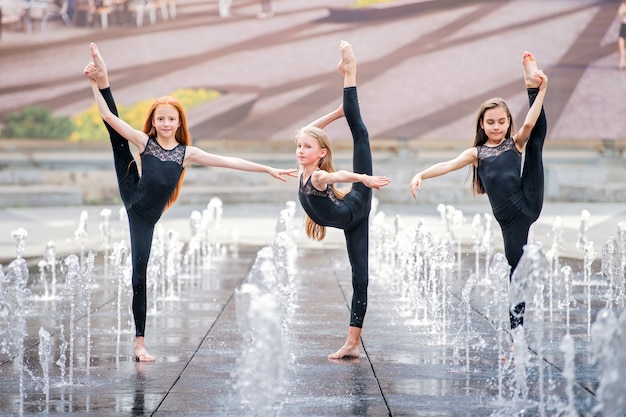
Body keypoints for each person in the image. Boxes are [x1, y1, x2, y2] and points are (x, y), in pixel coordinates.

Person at [83, 42, 297, 362]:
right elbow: (106, 116)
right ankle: (140, 344)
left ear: (179, 123)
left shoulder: (187, 154)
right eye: (161, 119)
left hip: (148, 213)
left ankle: (104, 78)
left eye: (171, 119)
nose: (166, 124)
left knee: (140, 275)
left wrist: (266, 168)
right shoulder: (145, 142)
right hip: (134, 200)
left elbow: (230, 161)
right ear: (153, 122)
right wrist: (94, 85)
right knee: (117, 138)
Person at [409, 51, 548, 330]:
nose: (496, 127)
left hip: (529, 198)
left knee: (535, 141)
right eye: (490, 122)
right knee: (515, 271)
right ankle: (516, 332)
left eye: (501, 121)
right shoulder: (477, 153)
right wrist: (421, 173)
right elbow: (448, 165)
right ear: (482, 125)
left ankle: (531, 84)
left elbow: (530, 123)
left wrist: (543, 89)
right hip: (510, 220)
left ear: (508, 122)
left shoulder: (514, 144)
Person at [296, 40, 391, 359]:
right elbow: (306, 131)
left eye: (306, 148)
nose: (300, 150)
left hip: (357, 203)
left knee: (360, 133)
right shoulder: (301, 168)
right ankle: (352, 344)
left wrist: (363, 178)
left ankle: (350, 72)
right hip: (351, 219)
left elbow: (339, 177)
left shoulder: (319, 175)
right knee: (360, 278)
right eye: (299, 147)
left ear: (321, 154)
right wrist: (338, 113)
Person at [618, 0, 626, 70]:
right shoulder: (623, 5)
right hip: (623, 25)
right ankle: (622, 61)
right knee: (620, 43)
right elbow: (620, 13)